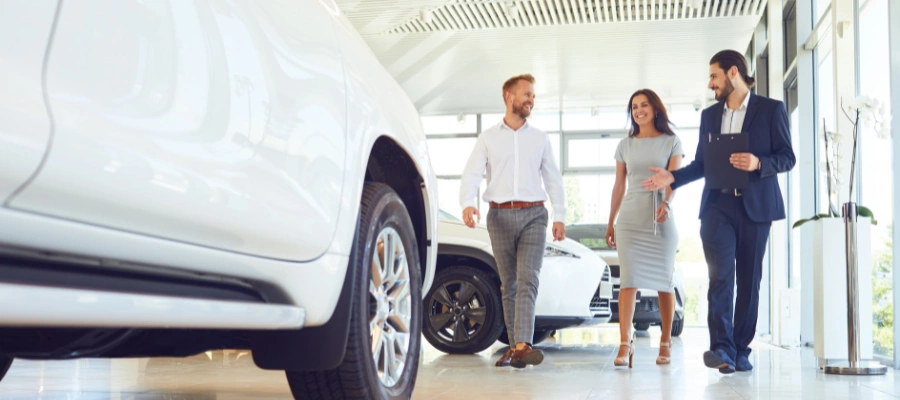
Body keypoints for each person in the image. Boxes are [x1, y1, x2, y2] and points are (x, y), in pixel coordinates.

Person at [643, 50, 796, 373]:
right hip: (718, 207)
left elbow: (787, 156)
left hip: (756, 207)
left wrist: (759, 163)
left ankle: (741, 348)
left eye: (714, 76)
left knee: (749, 280)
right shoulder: (710, 116)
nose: (710, 83)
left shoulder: (771, 110)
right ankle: (722, 348)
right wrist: (673, 177)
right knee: (720, 277)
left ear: (733, 73)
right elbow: (702, 164)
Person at [459, 74, 566, 369]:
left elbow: (553, 179)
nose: (531, 100)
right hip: (499, 216)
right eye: (527, 94)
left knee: (528, 278)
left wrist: (560, 215)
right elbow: (472, 172)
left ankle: (522, 345)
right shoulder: (488, 137)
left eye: (533, 95)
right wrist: (468, 203)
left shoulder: (540, 138)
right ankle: (515, 346)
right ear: (509, 96)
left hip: (534, 214)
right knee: (509, 284)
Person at [606, 89, 684, 368]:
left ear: (655, 109)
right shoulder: (625, 145)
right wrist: (611, 221)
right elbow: (619, 185)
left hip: (660, 217)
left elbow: (674, 180)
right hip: (630, 219)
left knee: (665, 281)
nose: (639, 110)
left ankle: (665, 340)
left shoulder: (672, 142)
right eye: (634, 107)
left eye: (644, 105)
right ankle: (625, 344)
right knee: (628, 281)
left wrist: (669, 204)